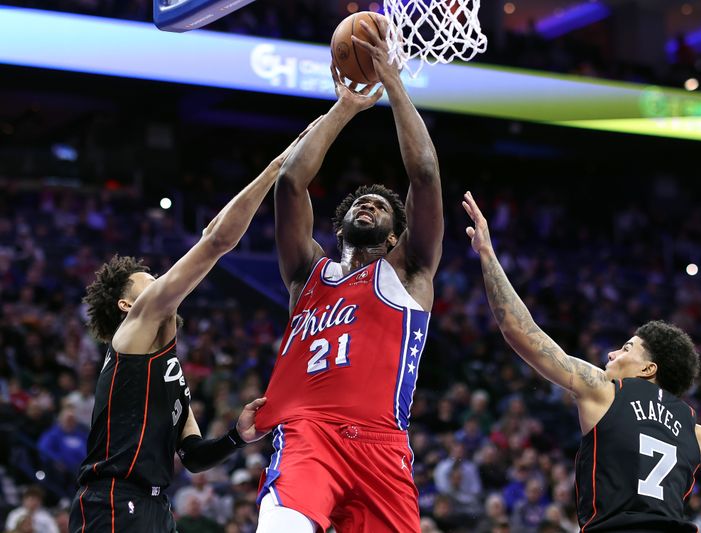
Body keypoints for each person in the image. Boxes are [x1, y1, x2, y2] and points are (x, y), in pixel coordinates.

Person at [462, 191, 701, 532]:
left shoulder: (605, 391)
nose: (612, 354)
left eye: (626, 348)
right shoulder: (696, 434)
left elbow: (520, 331)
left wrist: (488, 255)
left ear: (648, 368)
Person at [67, 118, 320, 533]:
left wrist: (237, 436)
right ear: (127, 302)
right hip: (111, 499)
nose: (161, 281)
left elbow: (194, 457)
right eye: (149, 281)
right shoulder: (133, 331)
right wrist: (276, 167)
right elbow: (215, 242)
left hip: (157, 506)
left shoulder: (169, 371)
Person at [253, 16, 443, 533]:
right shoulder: (306, 275)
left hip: (383, 443)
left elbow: (424, 175)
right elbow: (290, 183)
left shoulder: (410, 272)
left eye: (381, 205)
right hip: (309, 432)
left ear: (392, 238)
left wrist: (393, 81)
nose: (368, 204)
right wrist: (347, 106)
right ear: (339, 225)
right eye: (361, 201)